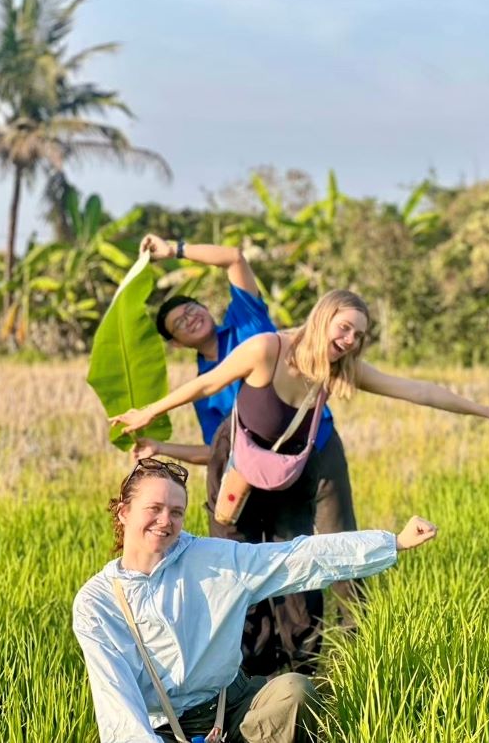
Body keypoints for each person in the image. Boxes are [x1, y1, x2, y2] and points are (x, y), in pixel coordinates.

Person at [113, 285, 489, 676]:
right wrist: (147, 413)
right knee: (232, 562)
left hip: (291, 468)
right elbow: (207, 383)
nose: (349, 339)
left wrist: (486, 411)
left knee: (297, 560)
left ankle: (302, 668)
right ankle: (245, 670)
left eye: (358, 335)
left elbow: (418, 391)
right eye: (344, 327)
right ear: (323, 317)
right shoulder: (268, 348)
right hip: (237, 464)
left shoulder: (338, 369)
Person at [72, 457, 437, 743]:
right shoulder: (97, 604)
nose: (165, 521)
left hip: (232, 707)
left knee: (294, 692)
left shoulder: (214, 560)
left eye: (176, 512)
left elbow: (298, 558)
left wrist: (393, 542)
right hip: (161, 728)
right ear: (124, 512)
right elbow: (117, 705)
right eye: (154, 508)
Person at [132, 234, 360, 675]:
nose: (190, 316)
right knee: (254, 561)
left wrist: (172, 250)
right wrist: (160, 448)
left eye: (192, 307)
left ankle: (344, 646)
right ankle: (265, 667)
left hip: (311, 450)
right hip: (248, 477)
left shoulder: (246, 320)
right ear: (176, 342)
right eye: (180, 321)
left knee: (327, 544)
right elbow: (212, 452)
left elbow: (234, 257)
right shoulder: (204, 386)